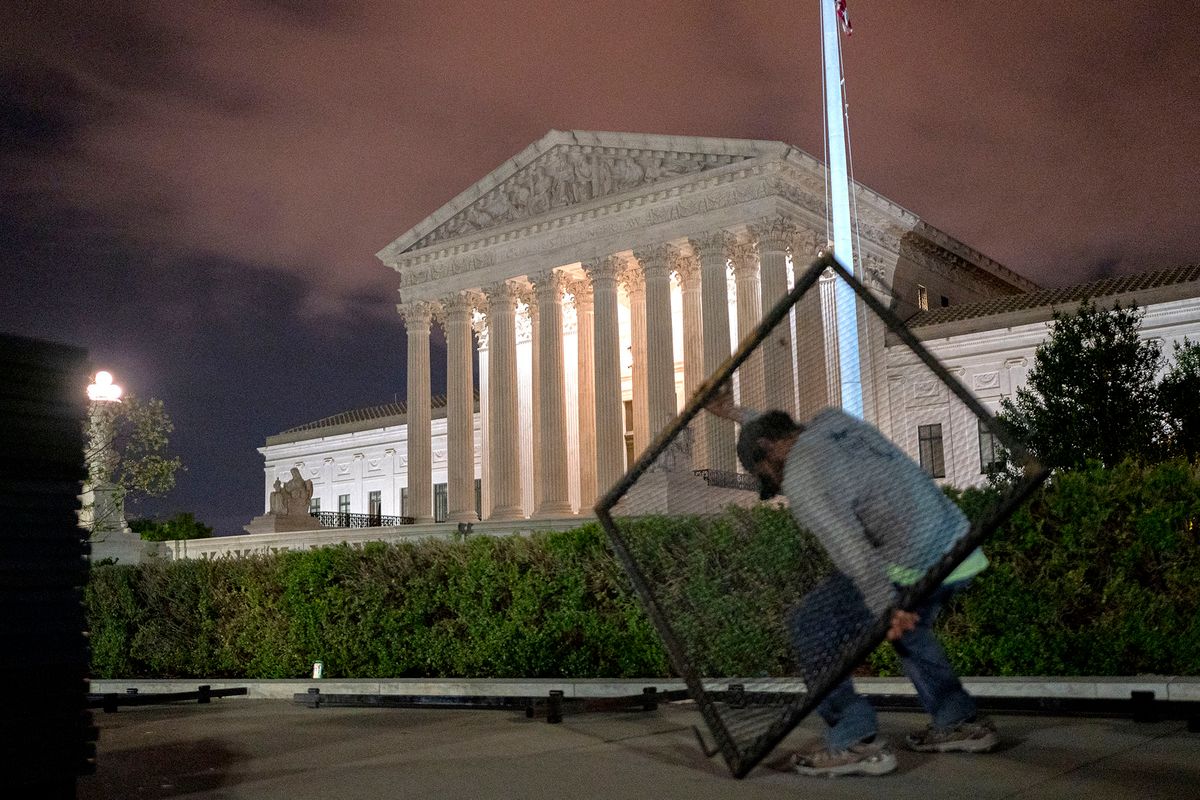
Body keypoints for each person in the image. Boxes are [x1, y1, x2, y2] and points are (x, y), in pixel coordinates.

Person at [706, 386, 997, 778]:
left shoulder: (801, 475)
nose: (776, 486)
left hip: (909, 562)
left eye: (766, 475)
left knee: (811, 626)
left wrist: (886, 608)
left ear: (769, 449)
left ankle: (853, 741)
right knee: (909, 633)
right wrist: (736, 413)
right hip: (954, 540)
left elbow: (850, 548)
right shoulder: (833, 422)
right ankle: (958, 722)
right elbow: (780, 428)